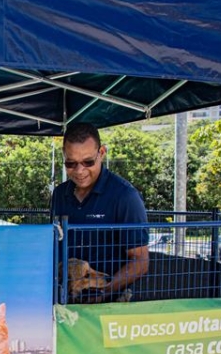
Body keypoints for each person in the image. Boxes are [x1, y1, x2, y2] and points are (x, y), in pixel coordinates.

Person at [51, 122, 149, 301]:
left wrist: (105, 292)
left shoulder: (125, 196)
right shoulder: (59, 194)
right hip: (65, 300)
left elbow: (140, 262)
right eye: (71, 163)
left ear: (101, 153)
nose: (80, 171)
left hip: (110, 303)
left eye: (88, 162)